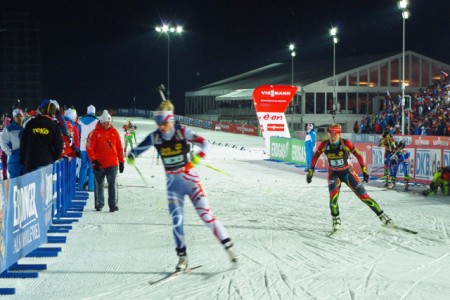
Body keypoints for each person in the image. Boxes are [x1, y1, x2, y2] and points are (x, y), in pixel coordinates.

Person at [127, 100, 238, 271]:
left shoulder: (182, 132)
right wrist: (132, 155)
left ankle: (229, 248)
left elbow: (207, 144)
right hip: (173, 187)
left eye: (164, 123)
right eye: (158, 124)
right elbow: (137, 150)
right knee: (177, 221)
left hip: (191, 182)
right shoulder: (155, 136)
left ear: (171, 120)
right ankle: (182, 258)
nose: (161, 127)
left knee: (206, 216)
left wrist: (198, 157)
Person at [306, 124, 395, 231]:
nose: (332, 137)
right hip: (334, 174)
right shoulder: (325, 144)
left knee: (365, 197)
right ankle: (336, 220)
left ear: (339, 134)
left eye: (334, 135)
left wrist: (364, 171)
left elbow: (358, 155)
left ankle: (383, 217)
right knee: (333, 200)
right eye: (330, 134)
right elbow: (315, 156)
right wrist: (310, 171)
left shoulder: (346, 143)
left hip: (348, 173)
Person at [86, 110, 124, 212]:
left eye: (108, 122)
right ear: (101, 122)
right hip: (99, 164)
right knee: (99, 184)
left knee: (112, 184)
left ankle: (112, 205)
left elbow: (119, 147)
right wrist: (94, 160)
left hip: (112, 164)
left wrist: (121, 162)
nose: (107, 124)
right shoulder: (94, 133)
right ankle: (99, 204)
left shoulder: (114, 132)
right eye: (105, 122)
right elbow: (89, 148)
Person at [20, 99, 64, 174]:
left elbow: (23, 143)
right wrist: (52, 159)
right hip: (45, 163)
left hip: (30, 163)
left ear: (42, 110)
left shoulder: (30, 123)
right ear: (53, 113)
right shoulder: (54, 127)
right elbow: (59, 148)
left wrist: (23, 159)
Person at [78, 105, 98, 191]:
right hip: (92, 148)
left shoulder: (80, 121)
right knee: (91, 167)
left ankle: (80, 186)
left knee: (83, 166)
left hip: (82, 147)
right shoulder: (97, 121)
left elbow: (77, 133)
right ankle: (91, 186)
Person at [0, 108, 24, 178]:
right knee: (15, 181)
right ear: (14, 118)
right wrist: (10, 153)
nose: (19, 118)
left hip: (25, 157)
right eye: (17, 116)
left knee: (26, 181)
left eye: (20, 116)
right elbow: (2, 142)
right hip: (15, 159)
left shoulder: (25, 127)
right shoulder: (9, 129)